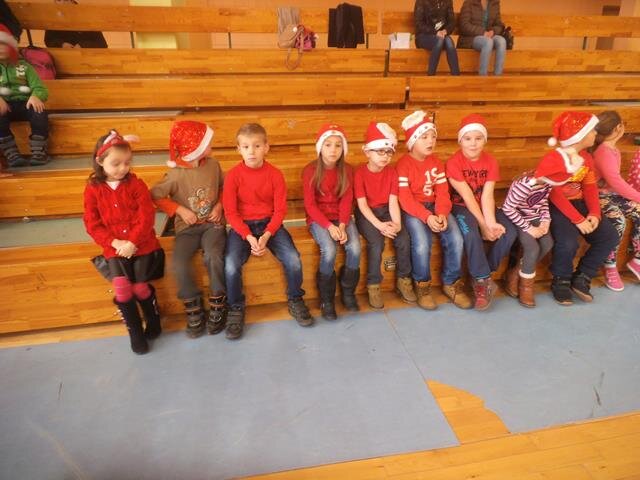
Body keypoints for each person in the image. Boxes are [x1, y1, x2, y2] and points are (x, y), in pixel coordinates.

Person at [223, 123, 313, 339]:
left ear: (266, 147)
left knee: (293, 259)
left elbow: (280, 210)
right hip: (242, 227)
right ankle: (235, 307)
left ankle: (295, 298)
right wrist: (248, 236)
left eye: (256, 146)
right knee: (231, 264)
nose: (251, 151)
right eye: (246, 147)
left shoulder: (275, 174)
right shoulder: (233, 176)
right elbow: (230, 212)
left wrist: (266, 235)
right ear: (238, 149)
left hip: (270, 225)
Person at [83, 130, 164, 354]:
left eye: (127, 163)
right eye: (116, 163)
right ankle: (135, 333)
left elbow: (146, 216)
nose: (123, 168)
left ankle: (154, 320)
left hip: (142, 245)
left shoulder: (136, 185)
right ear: (100, 161)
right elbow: (92, 223)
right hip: (114, 248)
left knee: (139, 287)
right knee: (122, 289)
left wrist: (132, 242)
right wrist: (115, 242)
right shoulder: (93, 189)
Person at [150, 121, 227, 338]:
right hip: (187, 229)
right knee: (178, 262)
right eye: (207, 143)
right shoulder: (175, 175)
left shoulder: (213, 165)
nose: (211, 146)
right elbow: (155, 195)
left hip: (213, 225)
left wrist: (219, 205)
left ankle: (218, 303)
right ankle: (193, 308)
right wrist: (179, 210)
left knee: (213, 255)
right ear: (195, 148)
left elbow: (225, 187)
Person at [398, 111, 473, 310]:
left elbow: (442, 192)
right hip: (414, 209)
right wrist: (426, 216)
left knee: (456, 238)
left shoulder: (437, 163)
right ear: (413, 141)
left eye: (433, 136)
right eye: (424, 137)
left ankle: (451, 283)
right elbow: (405, 199)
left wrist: (441, 213)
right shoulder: (403, 165)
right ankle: (422, 285)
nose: (430, 141)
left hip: (436, 207)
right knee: (422, 243)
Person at [545, 111, 619, 305]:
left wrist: (594, 213)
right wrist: (577, 219)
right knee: (568, 243)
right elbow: (554, 193)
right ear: (579, 136)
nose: (596, 134)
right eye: (592, 130)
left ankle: (583, 275)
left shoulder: (586, 158)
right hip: (558, 207)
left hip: (580, 204)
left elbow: (590, 187)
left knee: (609, 236)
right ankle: (561, 279)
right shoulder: (555, 158)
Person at [447, 114, 517, 310]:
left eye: (478, 138)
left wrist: (491, 223)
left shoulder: (491, 161)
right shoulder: (453, 163)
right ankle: (482, 280)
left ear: (485, 140)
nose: (473, 143)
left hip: (485, 206)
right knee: (470, 234)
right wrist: (483, 225)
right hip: (460, 206)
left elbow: (487, 196)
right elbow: (468, 197)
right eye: (468, 138)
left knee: (508, 232)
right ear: (460, 141)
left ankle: (484, 275)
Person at [354, 121, 416, 309]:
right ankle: (373, 285)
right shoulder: (359, 173)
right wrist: (380, 226)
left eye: (389, 152)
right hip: (367, 214)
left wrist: (396, 224)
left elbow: (393, 201)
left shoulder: (391, 173)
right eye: (380, 151)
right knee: (376, 242)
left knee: (403, 239)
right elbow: (362, 205)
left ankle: (403, 280)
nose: (385, 156)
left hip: (387, 211)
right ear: (367, 152)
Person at [302, 124, 361, 320]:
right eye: (328, 145)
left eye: (338, 145)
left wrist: (342, 225)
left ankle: (347, 291)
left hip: (341, 218)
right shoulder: (310, 171)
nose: (333, 150)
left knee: (355, 247)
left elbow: (347, 200)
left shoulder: (348, 170)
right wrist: (329, 227)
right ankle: (326, 299)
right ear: (320, 147)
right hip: (319, 219)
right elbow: (310, 206)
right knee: (329, 249)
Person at [591, 111, 640, 289]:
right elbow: (616, 182)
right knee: (618, 220)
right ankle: (610, 265)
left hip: (611, 195)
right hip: (598, 196)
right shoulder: (603, 152)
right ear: (618, 128)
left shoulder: (612, 149)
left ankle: (638, 260)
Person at [0, 24, 49, 167]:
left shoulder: (25, 67)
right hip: (3, 106)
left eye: (4, 45)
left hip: (25, 103)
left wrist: (35, 96)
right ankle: (11, 153)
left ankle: (39, 152)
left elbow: (40, 88)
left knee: (39, 111)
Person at [457, 0, 506, 76]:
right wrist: (483, 32)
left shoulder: (495, 3)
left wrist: (493, 31)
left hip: (488, 35)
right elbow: (464, 25)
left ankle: (497, 77)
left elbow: (499, 25)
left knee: (502, 41)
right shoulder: (469, 2)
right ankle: (482, 77)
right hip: (470, 38)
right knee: (488, 42)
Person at [413, 0, 460, 76]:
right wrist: (435, 32)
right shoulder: (421, 1)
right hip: (423, 36)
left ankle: (456, 75)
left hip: (442, 35)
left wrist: (446, 31)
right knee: (439, 41)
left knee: (449, 41)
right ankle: (431, 75)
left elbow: (452, 22)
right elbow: (418, 23)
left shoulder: (448, 1)